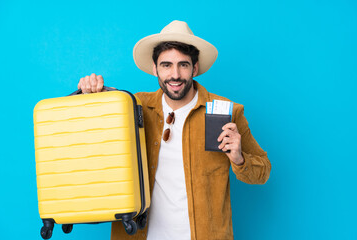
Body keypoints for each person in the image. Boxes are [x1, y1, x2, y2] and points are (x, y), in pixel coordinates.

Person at [78, 20, 271, 240]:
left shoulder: (227, 112)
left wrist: (239, 159)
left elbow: (263, 172)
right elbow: (94, 142)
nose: (175, 74)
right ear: (155, 69)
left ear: (195, 68)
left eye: (183, 64)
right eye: (166, 65)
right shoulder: (134, 107)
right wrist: (90, 93)